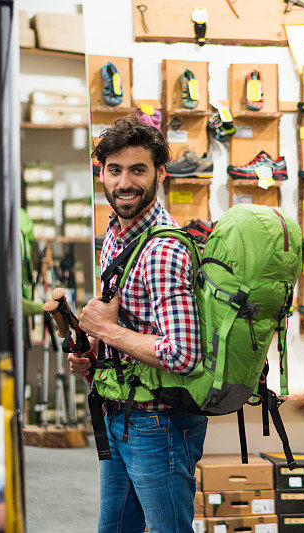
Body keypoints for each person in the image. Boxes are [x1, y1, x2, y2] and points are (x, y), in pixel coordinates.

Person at [68, 117, 206, 533]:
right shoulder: (115, 232)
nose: (124, 183)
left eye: (137, 169)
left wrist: (107, 331)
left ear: (161, 173)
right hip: (120, 410)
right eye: (114, 170)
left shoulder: (163, 250)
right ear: (102, 173)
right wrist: (96, 349)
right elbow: (124, 318)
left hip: (159, 425)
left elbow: (183, 354)